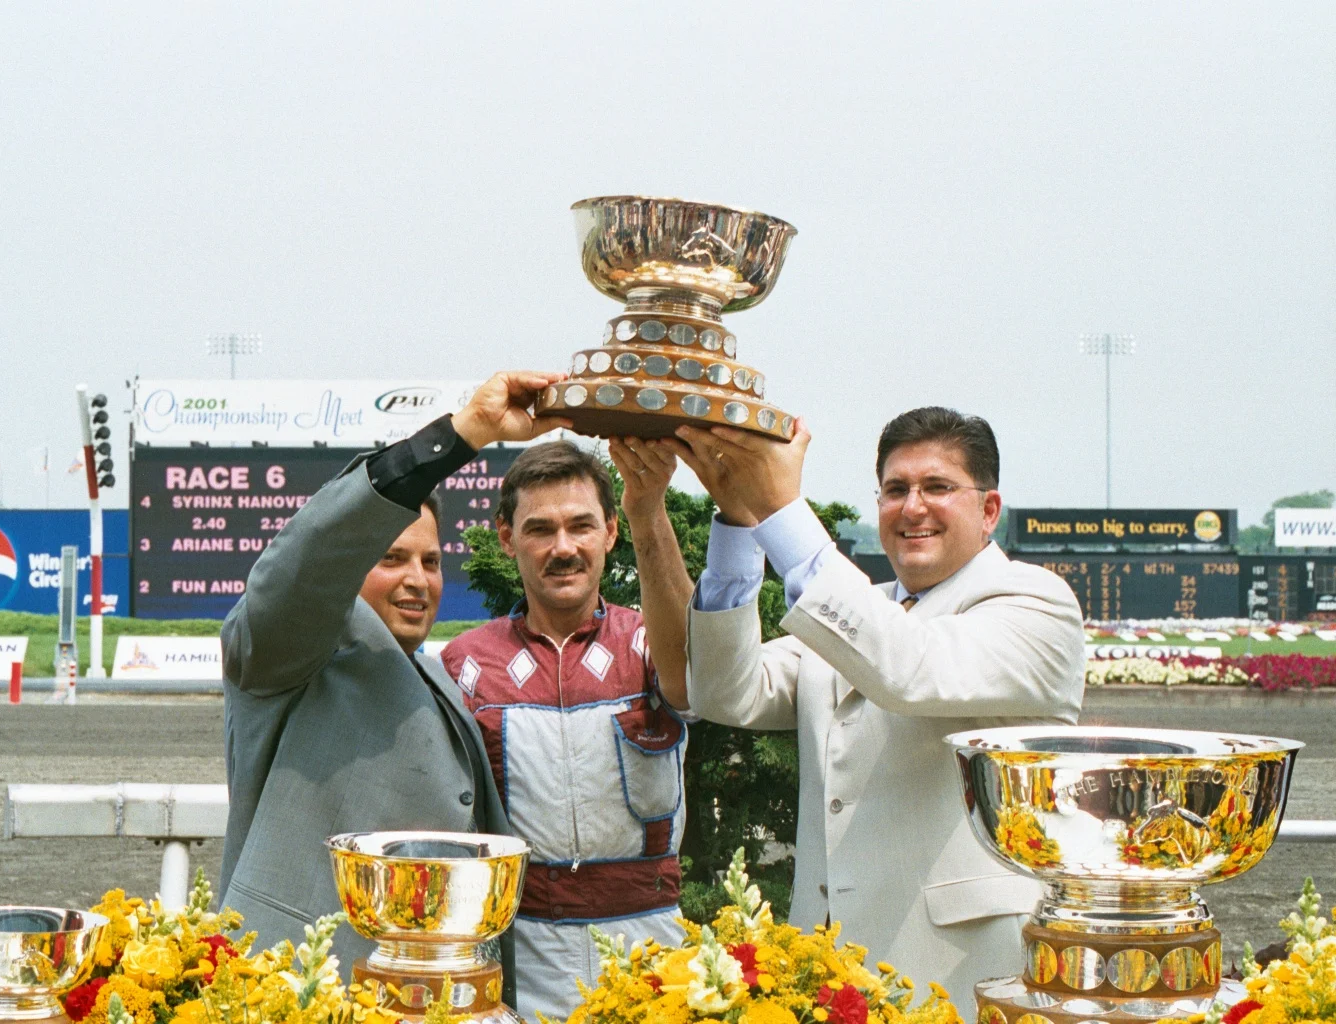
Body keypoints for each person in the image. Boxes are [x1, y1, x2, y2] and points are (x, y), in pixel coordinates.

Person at [642, 406, 1085, 1019]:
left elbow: (907, 670)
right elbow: (725, 692)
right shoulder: (861, 609)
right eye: (895, 490)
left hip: (965, 971)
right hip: (828, 970)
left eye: (937, 487)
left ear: (989, 510)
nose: (913, 507)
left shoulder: (1036, 604)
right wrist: (739, 525)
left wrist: (781, 511)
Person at [217, 370, 568, 996]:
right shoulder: (287, 653)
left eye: (431, 562)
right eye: (391, 558)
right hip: (305, 990)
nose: (418, 580)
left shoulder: (439, 675)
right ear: (350, 565)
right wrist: (462, 435)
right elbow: (310, 560)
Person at [439, 437, 693, 1022]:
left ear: (610, 532)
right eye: (540, 529)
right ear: (507, 538)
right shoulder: (463, 664)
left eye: (581, 526)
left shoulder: (650, 641)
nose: (563, 548)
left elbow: (695, 678)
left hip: (652, 947)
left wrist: (648, 508)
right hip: (519, 953)